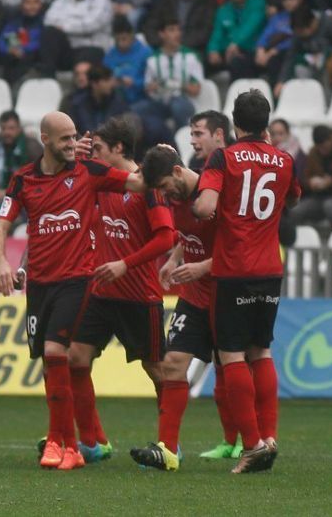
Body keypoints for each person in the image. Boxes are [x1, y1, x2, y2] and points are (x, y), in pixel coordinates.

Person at [0, 111, 144, 470]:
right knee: (50, 364)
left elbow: (137, 184)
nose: (73, 144)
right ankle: (59, 443)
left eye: (75, 137)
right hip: (39, 285)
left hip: (77, 280)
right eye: (65, 139)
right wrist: (0, 263)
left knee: (56, 350)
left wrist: (163, 164)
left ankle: (70, 447)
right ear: (45, 139)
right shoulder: (23, 179)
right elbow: (0, 227)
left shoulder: (89, 172)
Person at [193, 89, 301, 473]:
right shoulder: (284, 160)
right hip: (270, 269)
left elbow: (205, 207)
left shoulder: (225, 156)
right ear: (266, 123)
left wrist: (201, 204)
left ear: (234, 124)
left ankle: (252, 444)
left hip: (233, 269)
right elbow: (291, 199)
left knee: (232, 355)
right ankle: (269, 437)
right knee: (262, 351)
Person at [66, 118, 174, 463]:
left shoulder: (149, 186)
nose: (94, 154)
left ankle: (170, 445)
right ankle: (94, 442)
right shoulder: (99, 181)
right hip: (101, 293)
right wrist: (75, 155)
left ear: (118, 149)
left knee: (157, 371)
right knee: (75, 359)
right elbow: (62, 176)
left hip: (139, 295)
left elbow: (166, 237)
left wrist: (125, 264)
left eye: (99, 148)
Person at [130, 143, 238, 470]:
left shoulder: (214, 194)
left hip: (226, 294)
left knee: (236, 371)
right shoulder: (174, 195)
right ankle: (168, 450)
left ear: (177, 172)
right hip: (193, 295)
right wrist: (175, 259)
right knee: (173, 364)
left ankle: (255, 442)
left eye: (164, 187)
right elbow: (184, 234)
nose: (163, 194)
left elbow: (240, 248)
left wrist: (202, 267)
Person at [274, 5, 332, 97]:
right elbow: (290, 56)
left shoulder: (330, 23)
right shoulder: (298, 32)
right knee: (299, 68)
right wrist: (281, 81)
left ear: (313, 23)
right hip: (311, 61)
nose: (300, 35)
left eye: (302, 31)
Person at [138, 20, 203, 129]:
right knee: (138, 108)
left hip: (184, 101)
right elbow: (147, 89)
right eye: (172, 30)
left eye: (178, 30)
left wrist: (178, 85)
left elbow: (196, 90)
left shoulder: (191, 57)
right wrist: (153, 87)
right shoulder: (152, 59)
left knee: (177, 105)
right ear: (162, 34)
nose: (177, 34)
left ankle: (184, 140)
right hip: (161, 102)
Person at [289, 125, 332, 229]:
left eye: (325, 147)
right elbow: (303, 179)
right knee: (296, 210)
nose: (323, 151)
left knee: (330, 206)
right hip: (318, 197)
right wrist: (310, 183)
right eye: (320, 148)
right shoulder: (314, 153)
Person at [206, 0, 267, 80]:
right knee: (203, 61)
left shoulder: (258, 2)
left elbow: (251, 26)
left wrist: (235, 43)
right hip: (229, 52)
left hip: (253, 52)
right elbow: (217, 34)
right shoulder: (223, 10)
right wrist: (213, 50)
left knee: (238, 63)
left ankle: (240, 95)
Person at [142, 0, 220, 55]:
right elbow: (150, 26)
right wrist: (163, 42)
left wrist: (179, 44)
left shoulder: (208, 0)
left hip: (194, 50)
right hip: (164, 49)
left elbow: (206, 31)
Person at [44, 0, 113, 62]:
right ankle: (48, 72)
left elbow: (90, 25)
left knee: (90, 54)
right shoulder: (60, 1)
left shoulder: (102, 1)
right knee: (49, 32)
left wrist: (63, 27)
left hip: (92, 47)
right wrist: (79, 21)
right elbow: (48, 22)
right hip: (68, 49)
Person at [254, 0, 305, 86]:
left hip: (297, 53)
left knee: (276, 60)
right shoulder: (278, 17)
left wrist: (275, 50)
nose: (288, 2)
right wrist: (260, 49)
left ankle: (278, 96)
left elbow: (296, 39)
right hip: (274, 53)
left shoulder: (305, 15)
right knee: (244, 60)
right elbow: (266, 34)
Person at [103, 15, 152, 105]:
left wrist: (134, 82)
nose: (121, 43)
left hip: (141, 98)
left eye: (124, 39)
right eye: (117, 40)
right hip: (115, 96)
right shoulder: (110, 55)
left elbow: (152, 81)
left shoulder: (146, 53)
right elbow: (105, 77)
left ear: (132, 35)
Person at [0, 110, 41, 193]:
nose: (7, 132)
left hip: (25, 195)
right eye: (3, 128)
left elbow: (39, 177)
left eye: (11, 128)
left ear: (19, 128)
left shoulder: (32, 146)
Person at [70, 66, 130, 135]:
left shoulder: (118, 103)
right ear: (94, 84)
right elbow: (74, 130)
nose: (110, 84)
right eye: (106, 80)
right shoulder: (78, 104)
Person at [269, 118, 306, 182]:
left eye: (280, 133)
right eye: (273, 134)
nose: (276, 137)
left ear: (288, 133)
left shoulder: (298, 155)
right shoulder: (266, 153)